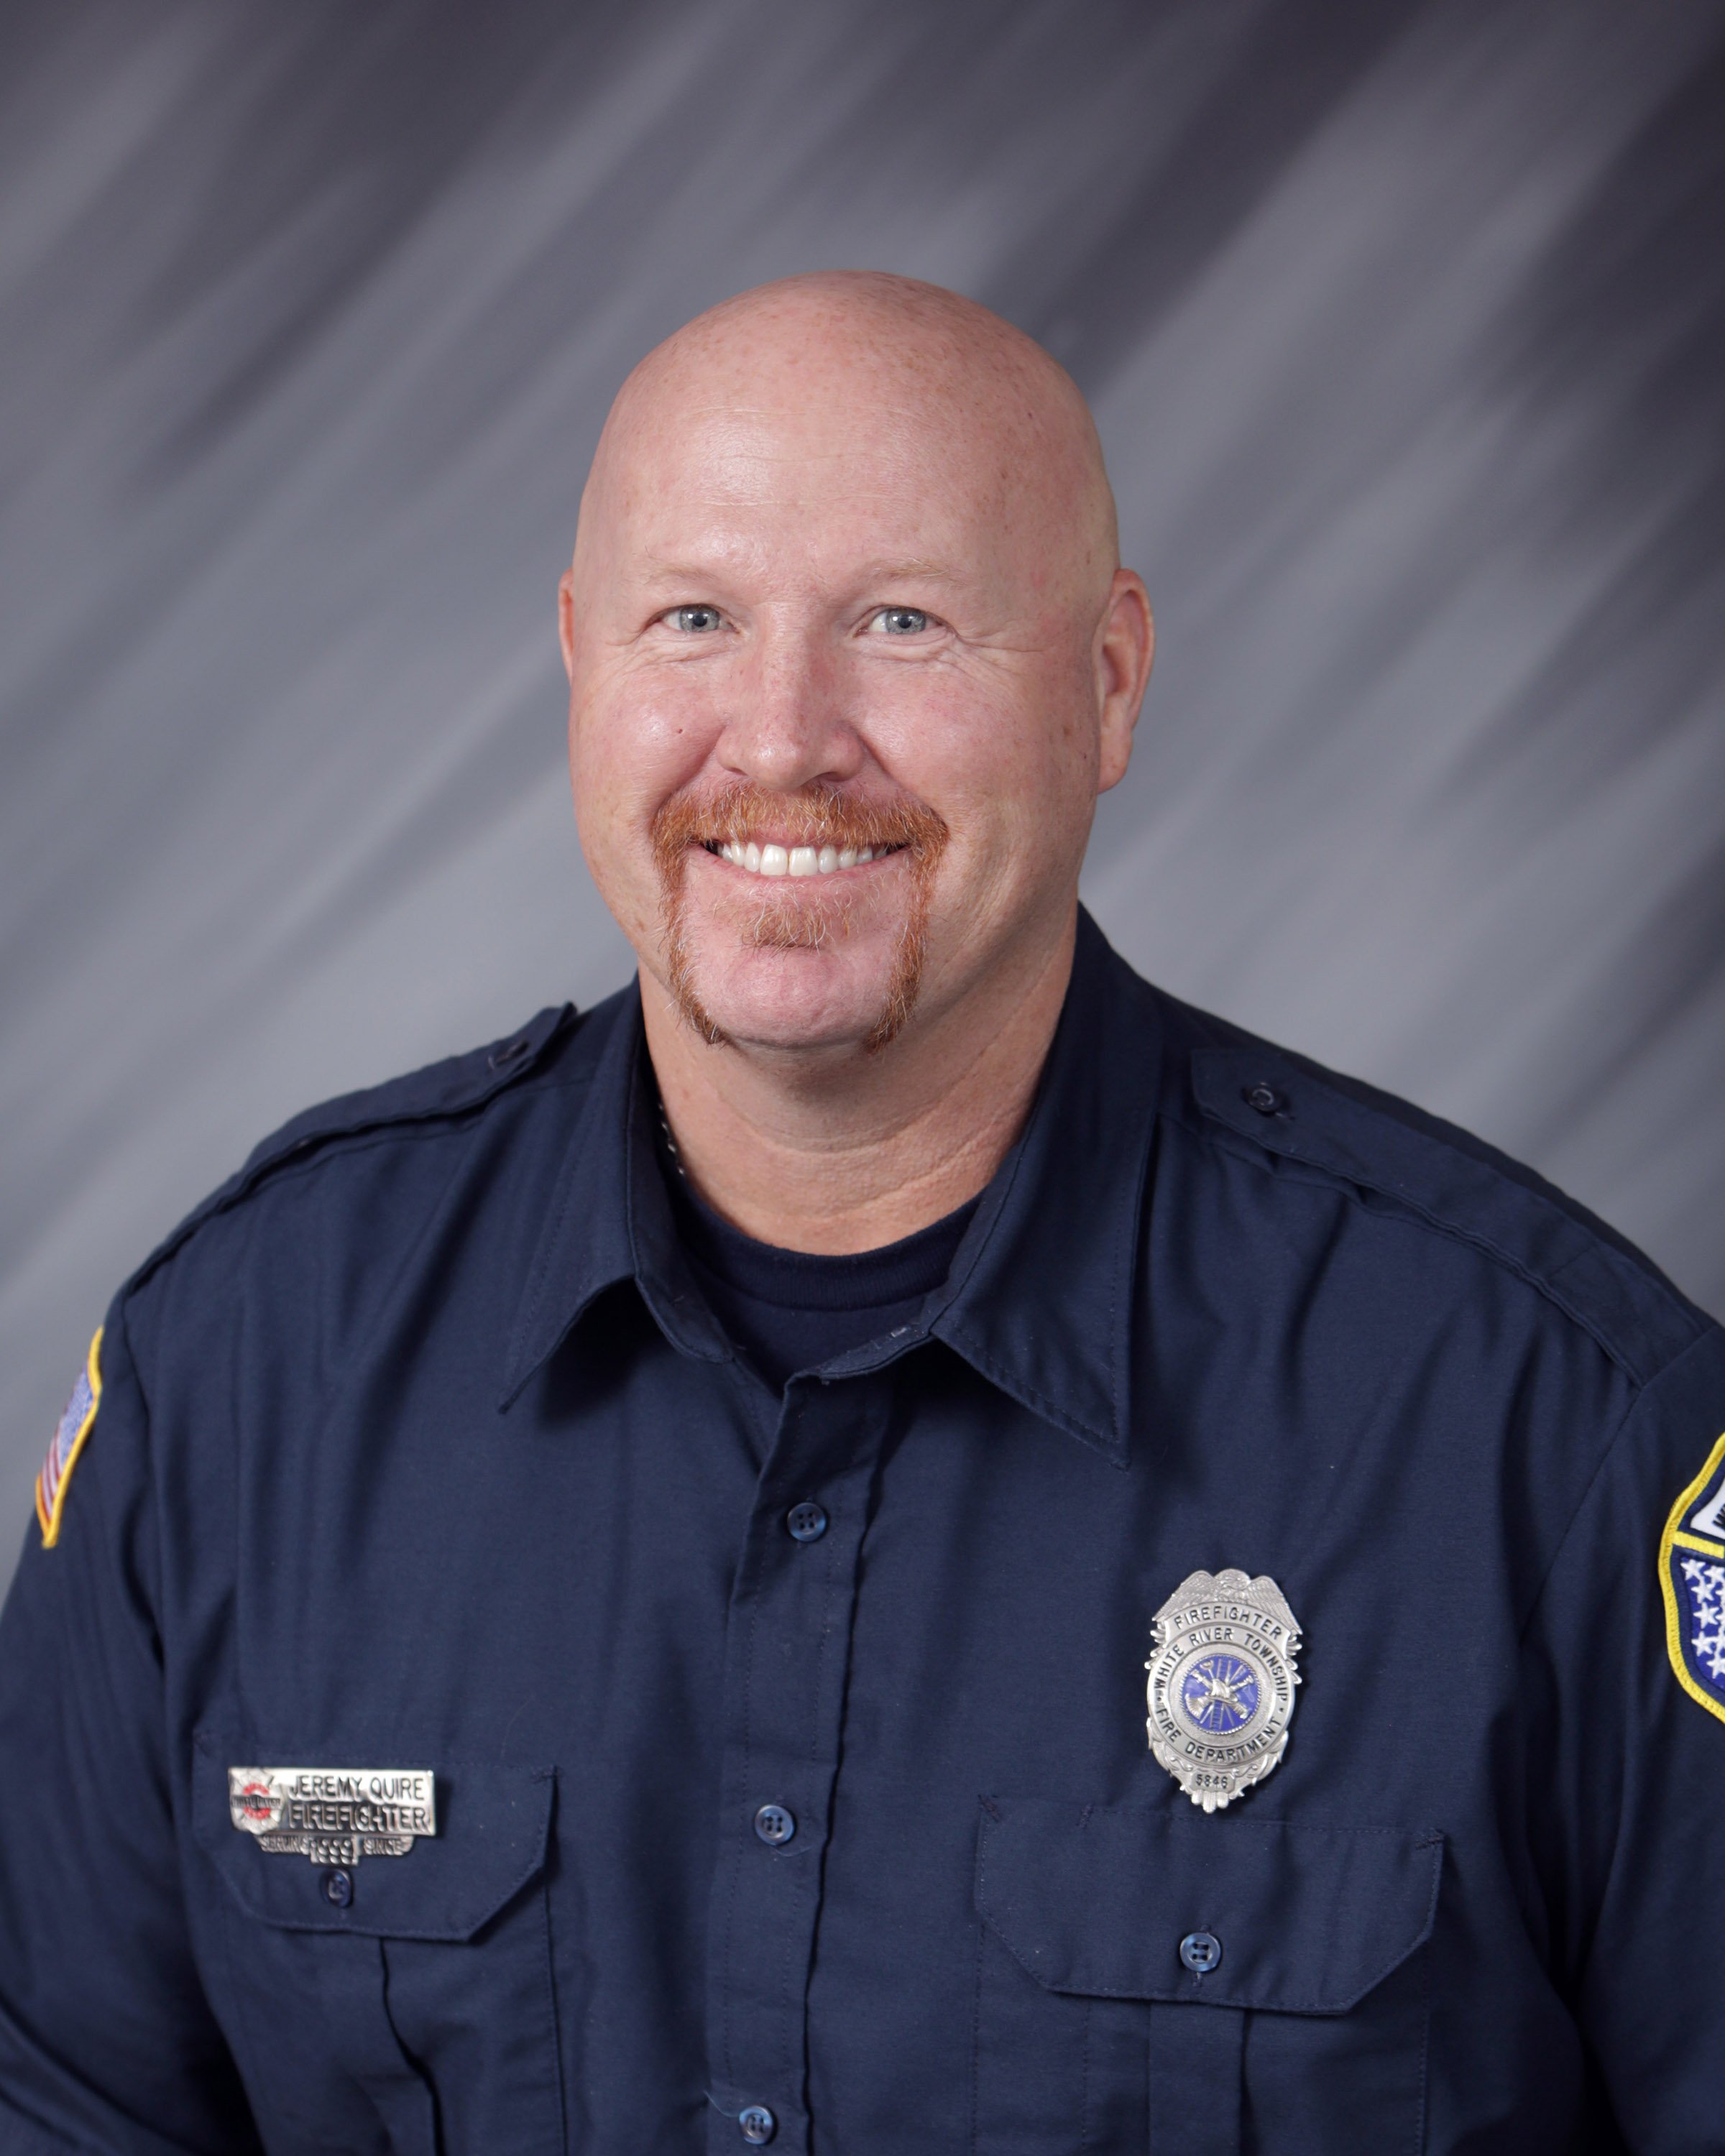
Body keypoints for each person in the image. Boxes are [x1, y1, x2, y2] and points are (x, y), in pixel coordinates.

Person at [1, 271, 1721, 2156]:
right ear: (581, 659)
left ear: (1109, 679)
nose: (783, 737)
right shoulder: (249, 1374)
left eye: (904, 620)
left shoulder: (1553, 1429)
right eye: (695, 619)